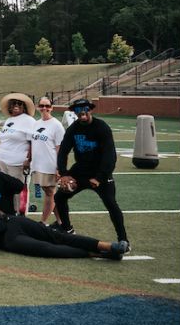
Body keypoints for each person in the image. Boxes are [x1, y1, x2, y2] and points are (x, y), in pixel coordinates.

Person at [0, 188, 129, 259]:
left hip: (14, 223)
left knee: (58, 236)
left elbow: (1, 221)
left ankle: (107, 245)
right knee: (46, 248)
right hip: (7, 241)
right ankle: (95, 253)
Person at [55, 98, 128, 244]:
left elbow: (110, 155)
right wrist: (64, 174)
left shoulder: (101, 127)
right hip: (81, 171)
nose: (82, 112)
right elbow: (63, 151)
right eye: (78, 110)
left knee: (111, 204)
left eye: (85, 109)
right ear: (74, 112)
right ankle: (67, 229)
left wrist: (100, 177)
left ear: (90, 110)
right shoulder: (73, 129)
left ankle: (123, 239)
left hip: (100, 173)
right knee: (59, 198)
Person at [30, 97, 66, 222]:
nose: (44, 108)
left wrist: (59, 167)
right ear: (38, 107)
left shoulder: (57, 125)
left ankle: (42, 222)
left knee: (50, 193)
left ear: (52, 107)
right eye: (42, 105)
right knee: (50, 193)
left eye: (47, 106)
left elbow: (60, 148)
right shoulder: (36, 123)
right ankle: (61, 222)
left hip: (50, 165)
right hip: (37, 165)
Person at [0, 93, 36, 187]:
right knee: (7, 191)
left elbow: (33, 143)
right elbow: (6, 138)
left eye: (19, 103)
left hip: (18, 163)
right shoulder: (9, 120)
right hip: (2, 161)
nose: (16, 105)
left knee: (19, 191)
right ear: (9, 106)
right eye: (13, 103)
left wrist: (28, 160)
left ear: (24, 106)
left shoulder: (29, 120)